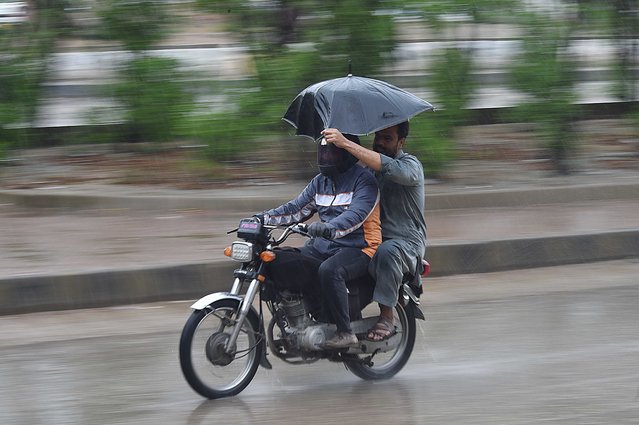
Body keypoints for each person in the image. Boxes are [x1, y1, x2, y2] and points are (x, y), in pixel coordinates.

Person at [255, 134, 381, 349]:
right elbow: (294, 209)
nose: (326, 157)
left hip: (360, 247)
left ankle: (345, 331)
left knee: (330, 270)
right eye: (323, 152)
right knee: (281, 261)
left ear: (348, 153)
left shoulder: (365, 181)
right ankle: (303, 316)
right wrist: (260, 218)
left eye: (332, 152)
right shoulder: (319, 182)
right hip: (325, 245)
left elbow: (355, 215)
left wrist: (329, 228)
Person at [321, 122, 427, 342]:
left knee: (387, 251)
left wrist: (345, 143)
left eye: (387, 138)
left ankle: (387, 316)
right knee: (321, 252)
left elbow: (389, 168)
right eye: (378, 136)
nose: (379, 142)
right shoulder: (368, 172)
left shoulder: (410, 166)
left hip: (403, 243)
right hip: (369, 241)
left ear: (401, 142)